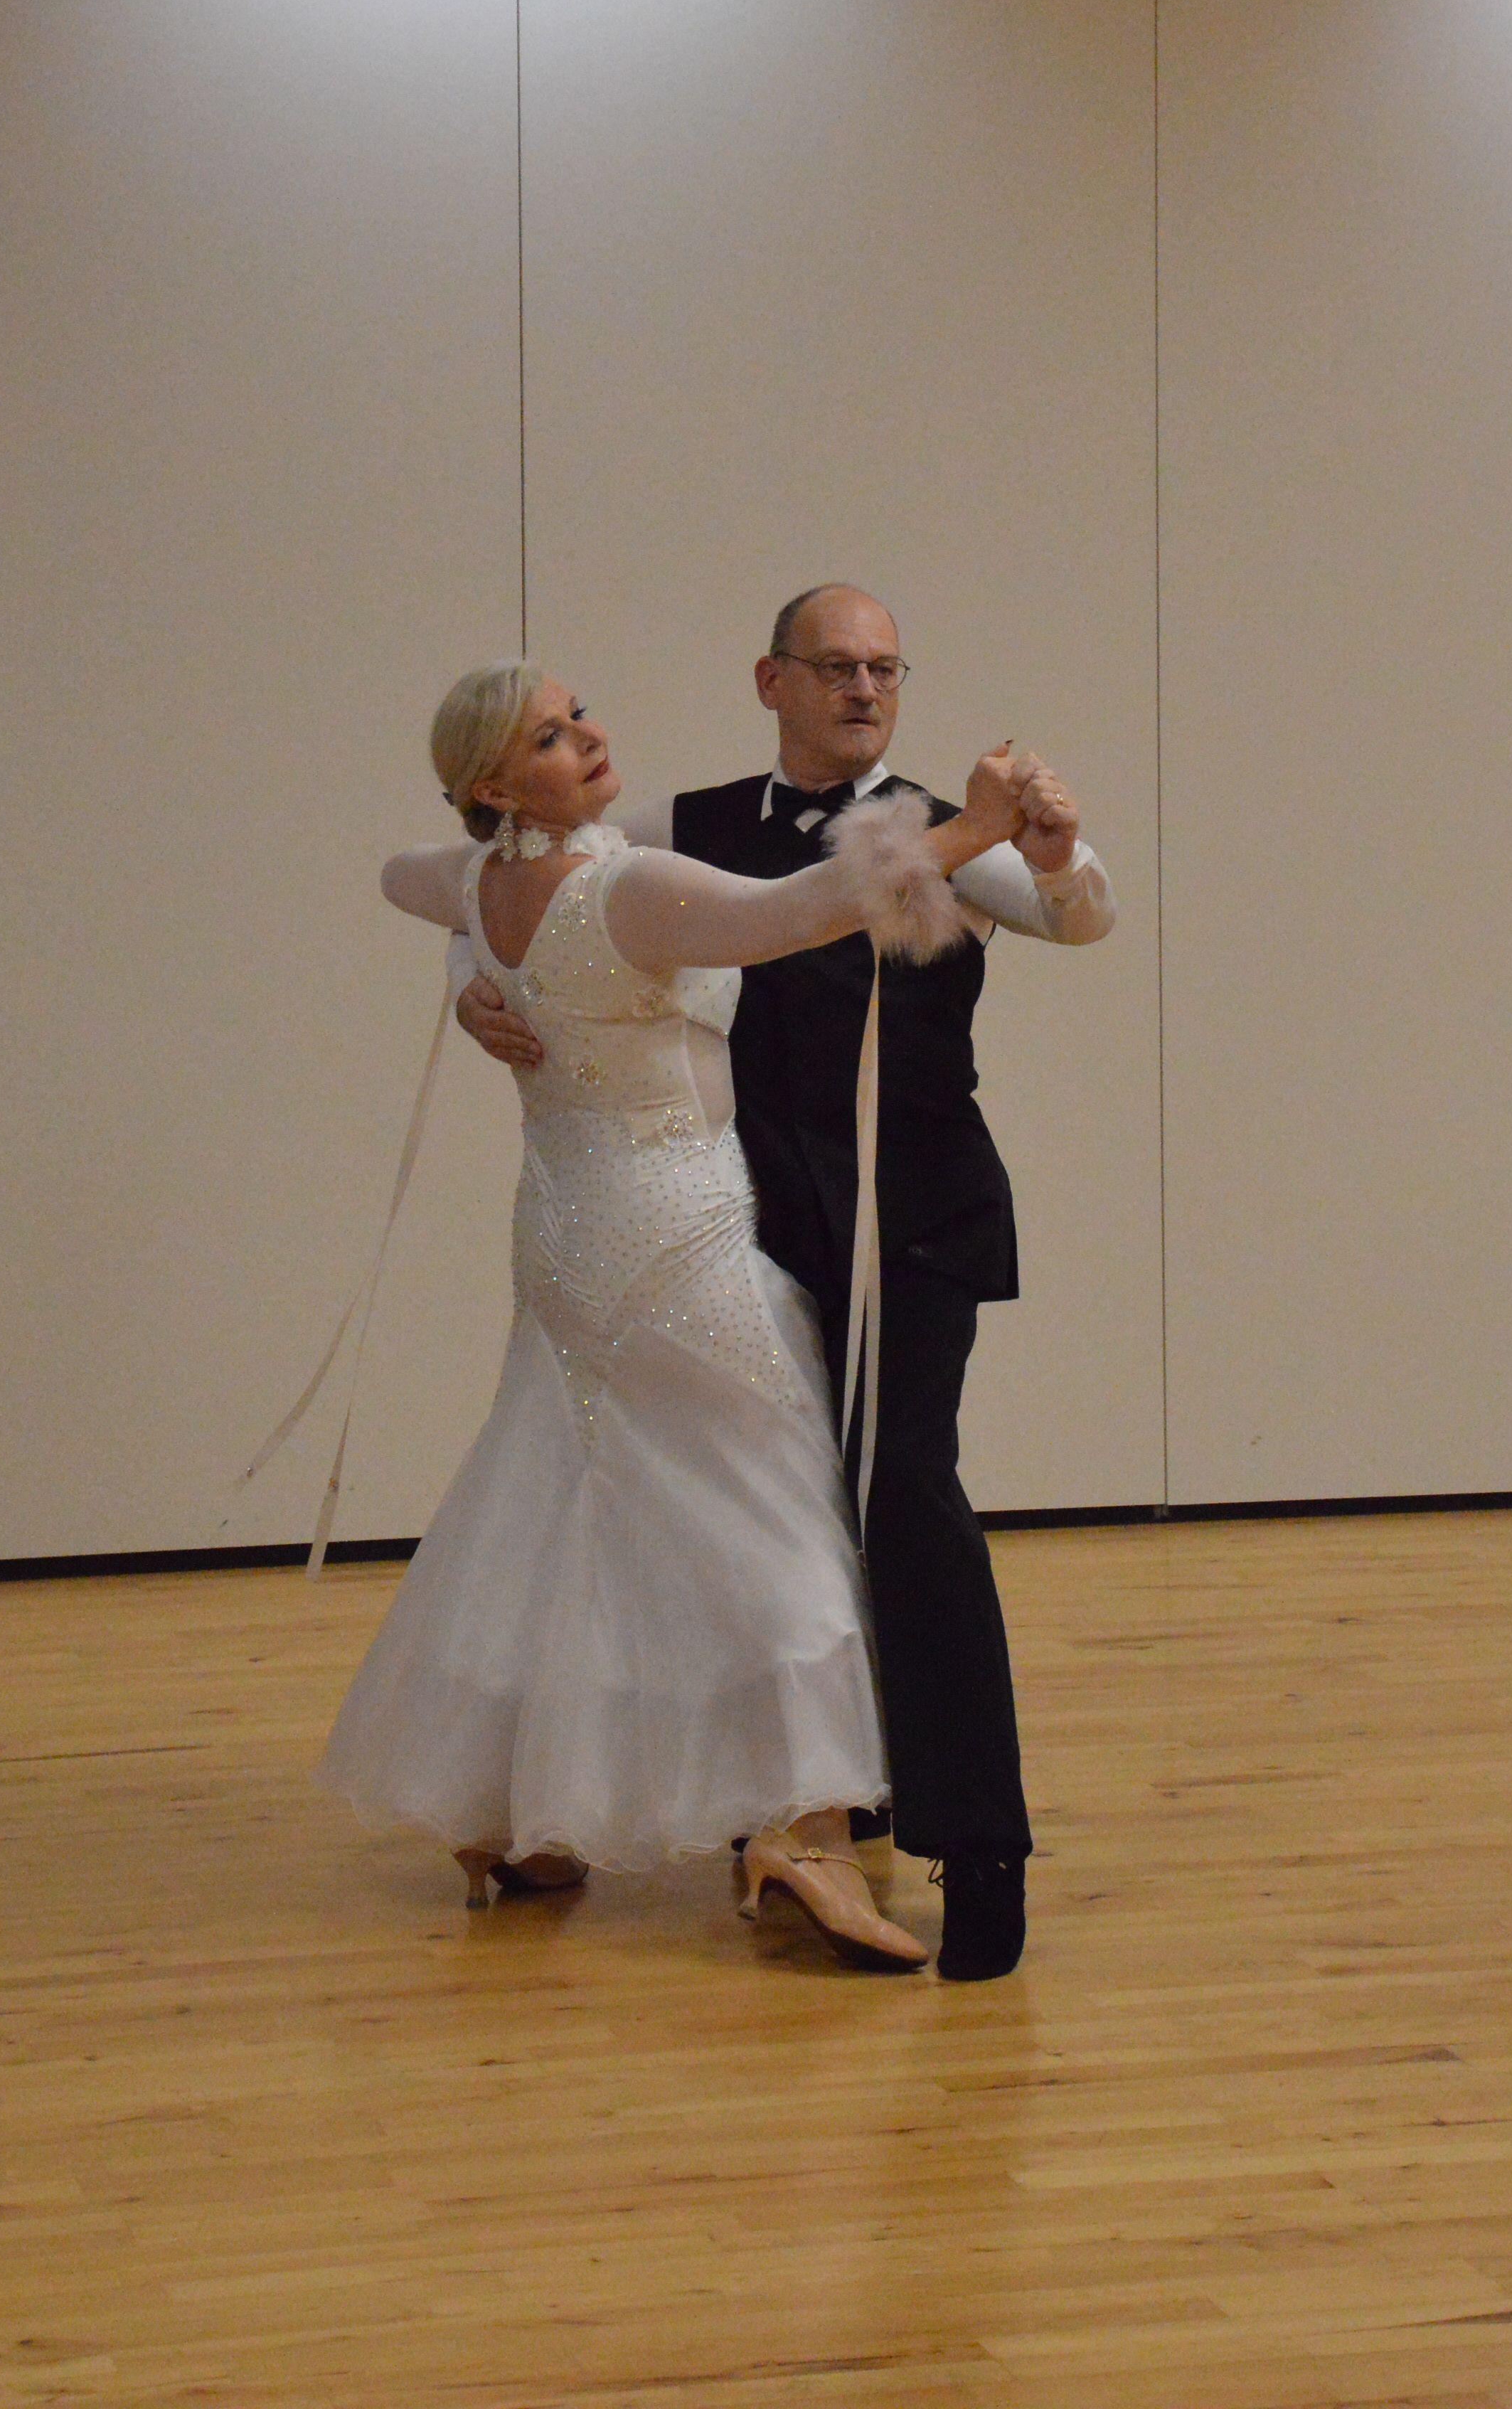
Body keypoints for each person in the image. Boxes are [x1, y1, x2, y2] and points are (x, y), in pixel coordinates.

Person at [320, 661, 1043, 1972]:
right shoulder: (629, 887)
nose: (591, 738)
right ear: (498, 783)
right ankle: (801, 1831)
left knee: (566, 1494)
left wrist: (476, 972)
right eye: (551, 738)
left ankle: (511, 1815)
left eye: (579, 713)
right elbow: (798, 910)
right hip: (679, 1242)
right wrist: (968, 831)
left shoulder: (481, 883)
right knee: (786, 1520)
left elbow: (396, 875)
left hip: (560, 1237)